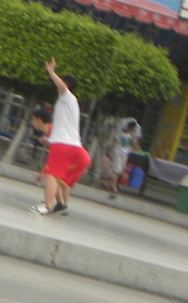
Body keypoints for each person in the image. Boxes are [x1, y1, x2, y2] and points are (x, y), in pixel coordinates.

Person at [31, 58, 90, 216]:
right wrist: (50, 140)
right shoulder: (68, 103)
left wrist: (51, 72)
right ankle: (60, 204)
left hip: (64, 145)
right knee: (56, 176)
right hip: (71, 145)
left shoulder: (67, 97)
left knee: (51, 175)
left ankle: (47, 205)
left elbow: (62, 87)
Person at [104, 117, 141, 197]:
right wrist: (111, 151)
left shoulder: (131, 136)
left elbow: (134, 147)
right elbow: (115, 142)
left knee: (118, 170)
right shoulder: (121, 134)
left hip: (125, 154)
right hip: (118, 152)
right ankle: (114, 186)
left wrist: (134, 139)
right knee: (116, 170)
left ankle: (108, 183)